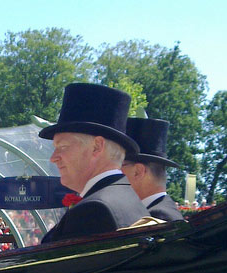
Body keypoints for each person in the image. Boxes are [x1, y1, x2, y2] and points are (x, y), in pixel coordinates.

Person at [37, 83, 150, 244]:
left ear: (97, 146)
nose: (53, 158)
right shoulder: (131, 201)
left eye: (62, 147)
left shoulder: (94, 210)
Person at [121, 118, 184, 222]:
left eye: (120, 166)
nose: (116, 173)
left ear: (138, 171)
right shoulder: (158, 211)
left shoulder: (157, 218)